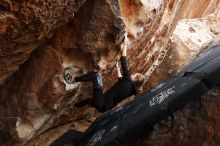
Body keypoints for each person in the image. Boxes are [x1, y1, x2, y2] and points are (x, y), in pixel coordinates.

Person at [64, 41, 145, 112]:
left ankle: (74, 79)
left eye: (134, 75)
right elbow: (121, 80)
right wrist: (118, 68)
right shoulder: (131, 91)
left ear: (135, 80)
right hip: (103, 108)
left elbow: (123, 60)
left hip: (101, 102)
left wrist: (125, 43)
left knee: (96, 76)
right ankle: (72, 106)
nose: (132, 75)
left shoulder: (128, 81)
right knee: (89, 101)